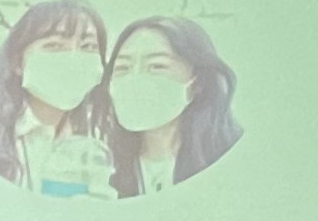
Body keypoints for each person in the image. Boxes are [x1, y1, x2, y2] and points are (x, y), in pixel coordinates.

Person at [0, 0, 115, 197]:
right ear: (17, 61)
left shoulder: (103, 137)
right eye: (55, 46)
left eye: (88, 46)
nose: (73, 59)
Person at [99, 12, 242, 194]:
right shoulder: (102, 168)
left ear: (197, 83)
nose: (135, 79)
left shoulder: (229, 160)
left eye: (157, 66)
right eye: (123, 68)